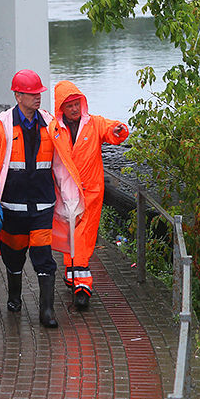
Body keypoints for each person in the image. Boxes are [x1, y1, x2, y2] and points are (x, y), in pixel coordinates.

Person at [0, 69, 84, 328]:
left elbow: (64, 162)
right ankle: (14, 297)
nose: (37, 97)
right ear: (18, 95)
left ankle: (47, 312)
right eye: (32, 94)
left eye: (39, 93)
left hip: (42, 207)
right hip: (11, 207)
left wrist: (71, 201)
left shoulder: (50, 123)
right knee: (14, 256)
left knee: (44, 258)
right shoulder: (2, 126)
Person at [50, 80, 129, 310]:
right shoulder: (54, 129)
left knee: (82, 238)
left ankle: (82, 286)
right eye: (70, 105)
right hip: (66, 193)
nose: (74, 109)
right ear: (61, 108)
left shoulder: (93, 124)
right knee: (70, 235)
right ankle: (73, 275)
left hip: (91, 192)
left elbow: (111, 130)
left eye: (77, 104)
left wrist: (119, 129)